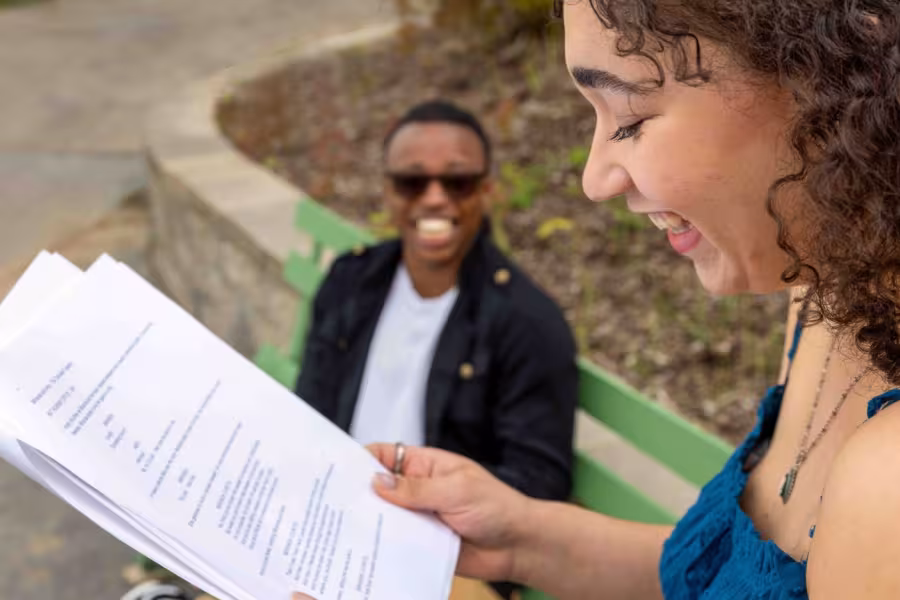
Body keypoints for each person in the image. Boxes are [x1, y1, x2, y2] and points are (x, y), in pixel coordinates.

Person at [293, 0, 900, 598]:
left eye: (629, 117)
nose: (594, 179)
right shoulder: (820, 292)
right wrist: (521, 539)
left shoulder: (888, 483)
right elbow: (718, 581)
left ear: (828, 78)